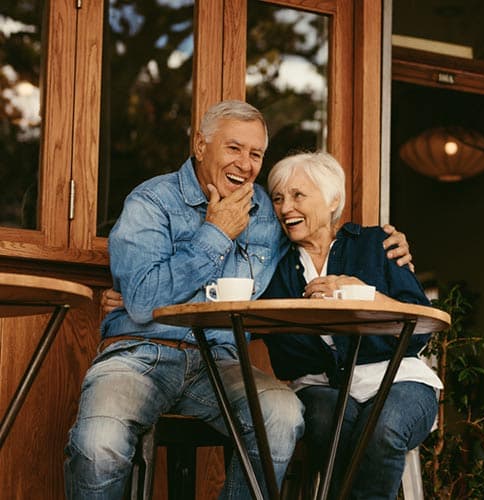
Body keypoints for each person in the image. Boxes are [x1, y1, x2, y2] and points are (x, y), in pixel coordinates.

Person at [67, 100, 412, 499]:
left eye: (256, 154)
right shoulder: (151, 202)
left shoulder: (269, 211)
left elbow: (319, 235)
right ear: (200, 145)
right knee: (98, 443)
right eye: (234, 148)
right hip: (142, 353)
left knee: (281, 417)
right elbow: (143, 301)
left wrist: (386, 247)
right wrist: (215, 233)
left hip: (221, 362)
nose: (245, 164)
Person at [263, 151, 441, 499]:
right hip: (319, 387)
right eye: (278, 198)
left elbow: (420, 323)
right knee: (332, 423)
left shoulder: (376, 245)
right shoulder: (275, 266)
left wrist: (364, 296)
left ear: (332, 200)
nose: (286, 208)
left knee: (384, 427)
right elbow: (283, 353)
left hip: (398, 379)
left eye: (298, 195)